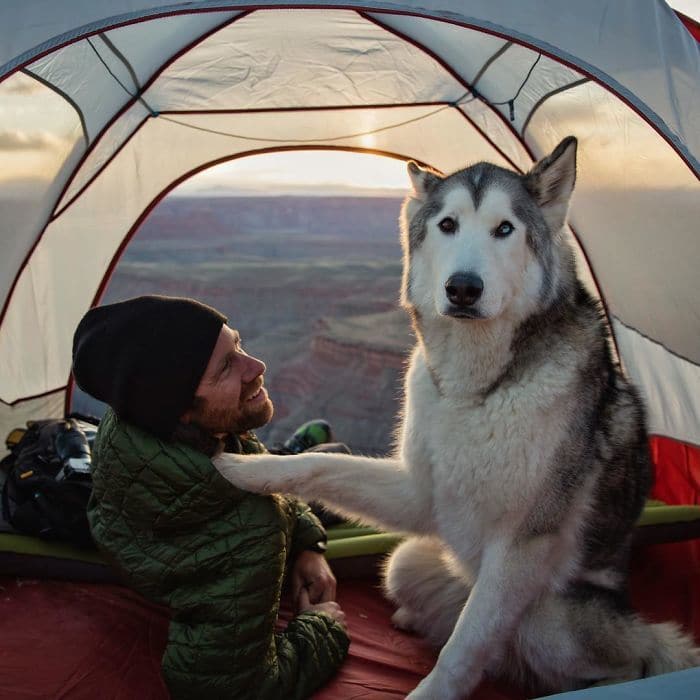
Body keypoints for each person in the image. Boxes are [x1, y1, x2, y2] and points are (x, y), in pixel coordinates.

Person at [71, 294, 350, 700]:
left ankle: (291, 453)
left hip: (159, 519)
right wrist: (322, 625)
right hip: (213, 531)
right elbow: (232, 689)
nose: (256, 366)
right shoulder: (251, 536)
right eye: (226, 367)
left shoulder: (133, 426)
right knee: (339, 463)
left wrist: (308, 543)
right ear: (179, 409)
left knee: (323, 460)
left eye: (237, 345)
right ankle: (293, 453)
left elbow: (247, 464)